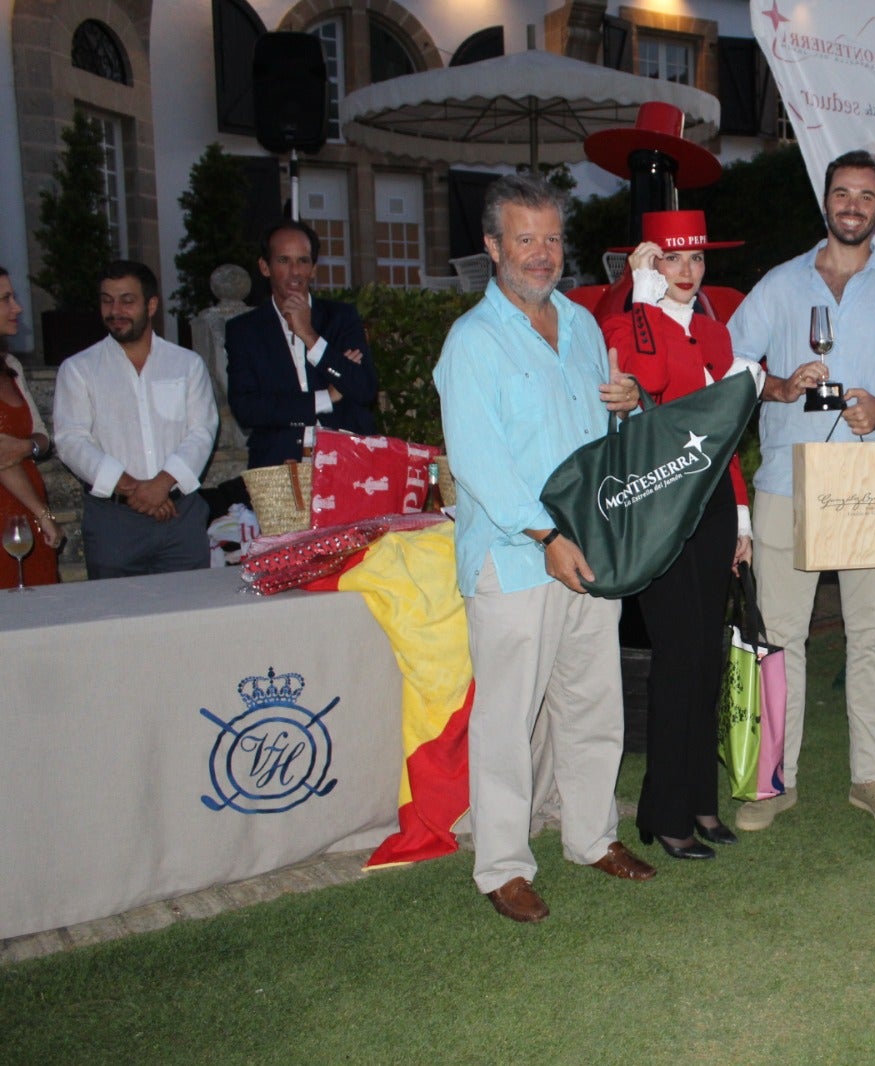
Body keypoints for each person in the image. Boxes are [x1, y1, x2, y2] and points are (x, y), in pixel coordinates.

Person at [433, 174, 656, 925]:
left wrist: (632, 406)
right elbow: (480, 464)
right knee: (510, 718)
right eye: (524, 238)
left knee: (594, 702)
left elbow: (604, 440)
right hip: (518, 556)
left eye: (553, 238)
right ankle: (502, 865)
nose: (541, 253)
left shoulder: (583, 325)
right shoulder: (472, 341)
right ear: (493, 247)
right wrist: (547, 536)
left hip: (589, 550)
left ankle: (592, 838)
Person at [728, 149, 875, 833]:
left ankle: (869, 779)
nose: (852, 205)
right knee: (781, 637)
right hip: (786, 483)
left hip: (868, 482)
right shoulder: (781, 285)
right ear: (824, 200)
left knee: (870, 637)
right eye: (841, 192)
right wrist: (779, 384)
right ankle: (771, 783)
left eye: (865, 196)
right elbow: (728, 363)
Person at [600, 210, 763, 861]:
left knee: (707, 660)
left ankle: (700, 801)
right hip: (661, 507)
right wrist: (639, 295)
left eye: (696, 259)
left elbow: (725, 435)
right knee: (675, 659)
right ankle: (662, 812)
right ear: (648, 263)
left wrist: (743, 519)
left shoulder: (714, 333)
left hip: (715, 504)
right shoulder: (622, 324)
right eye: (673, 259)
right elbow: (654, 381)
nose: (688, 272)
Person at [53, 261, 218, 580]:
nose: (115, 311)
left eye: (127, 300)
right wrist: (134, 489)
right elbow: (71, 440)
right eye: (106, 300)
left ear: (151, 305)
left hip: (179, 518)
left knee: (188, 617)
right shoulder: (79, 369)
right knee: (117, 622)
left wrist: (162, 484)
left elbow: (202, 431)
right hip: (114, 521)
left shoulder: (187, 364)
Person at [225, 220, 378, 468]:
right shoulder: (245, 330)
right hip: (279, 467)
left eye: (303, 261)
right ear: (265, 267)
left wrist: (310, 336)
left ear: (314, 268)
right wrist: (326, 397)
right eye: (284, 261)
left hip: (348, 462)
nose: (295, 271)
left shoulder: (341, 317)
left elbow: (363, 388)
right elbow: (247, 409)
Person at [0, 267, 61, 586]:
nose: (17, 308)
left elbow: (41, 435)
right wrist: (43, 514)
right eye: (5, 299)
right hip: (15, 514)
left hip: (27, 512)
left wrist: (27, 446)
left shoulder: (11, 366)